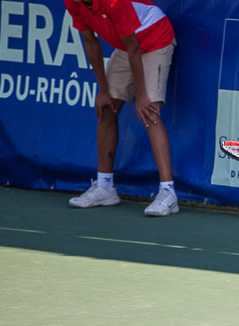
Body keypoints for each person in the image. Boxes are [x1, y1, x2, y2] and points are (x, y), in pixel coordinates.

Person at [64, 0, 179, 216]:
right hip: (128, 46)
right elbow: (91, 42)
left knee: (149, 111)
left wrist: (142, 95)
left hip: (154, 39)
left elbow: (135, 48)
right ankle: (105, 187)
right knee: (107, 108)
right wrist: (103, 90)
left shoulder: (115, 3)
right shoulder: (72, 2)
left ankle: (168, 193)